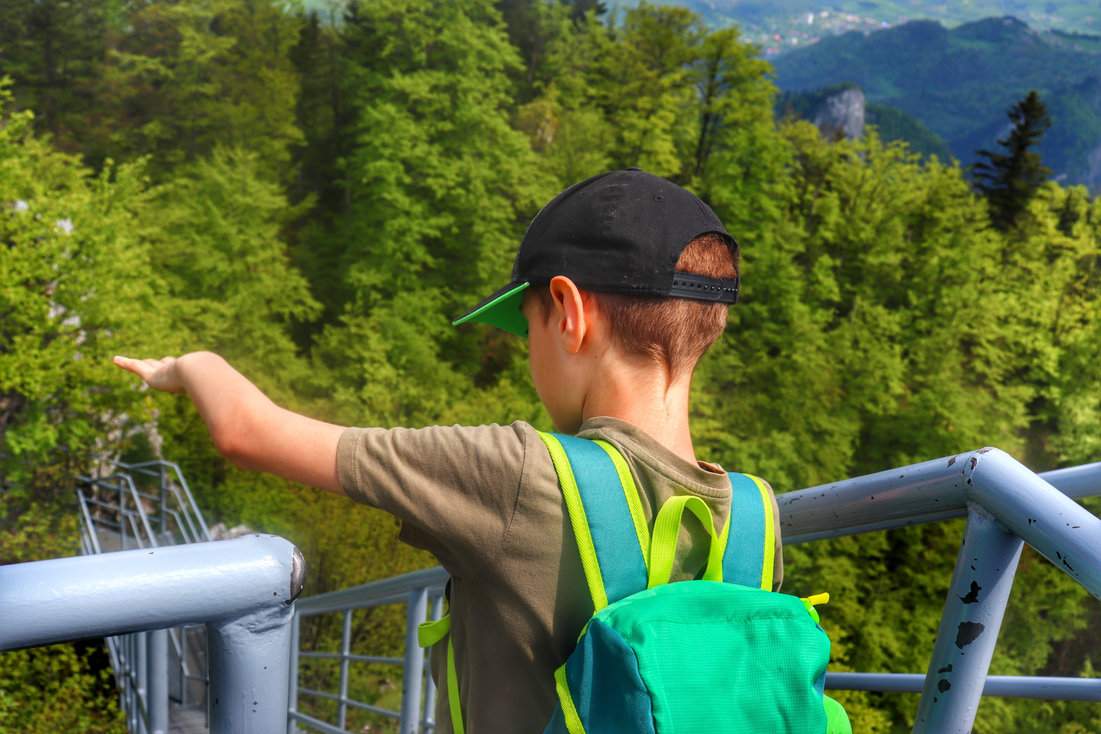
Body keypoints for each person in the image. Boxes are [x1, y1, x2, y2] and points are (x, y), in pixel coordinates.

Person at [113, 168, 783, 733]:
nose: (527, 355)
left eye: (527, 330)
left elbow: (247, 432)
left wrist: (187, 364)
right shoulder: (756, 519)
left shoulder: (519, 476)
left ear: (568, 312)